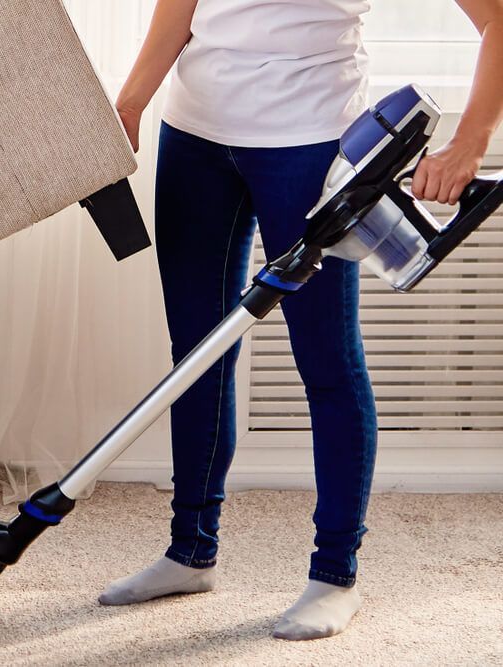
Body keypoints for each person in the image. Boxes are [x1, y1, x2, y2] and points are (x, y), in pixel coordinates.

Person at [101, 0, 503, 640]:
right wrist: (130, 102)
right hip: (195, 135)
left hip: (310, 145)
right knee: (199, 355)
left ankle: (334, 575)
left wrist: (470, 140)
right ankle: (189, 550)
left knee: (328, 363)